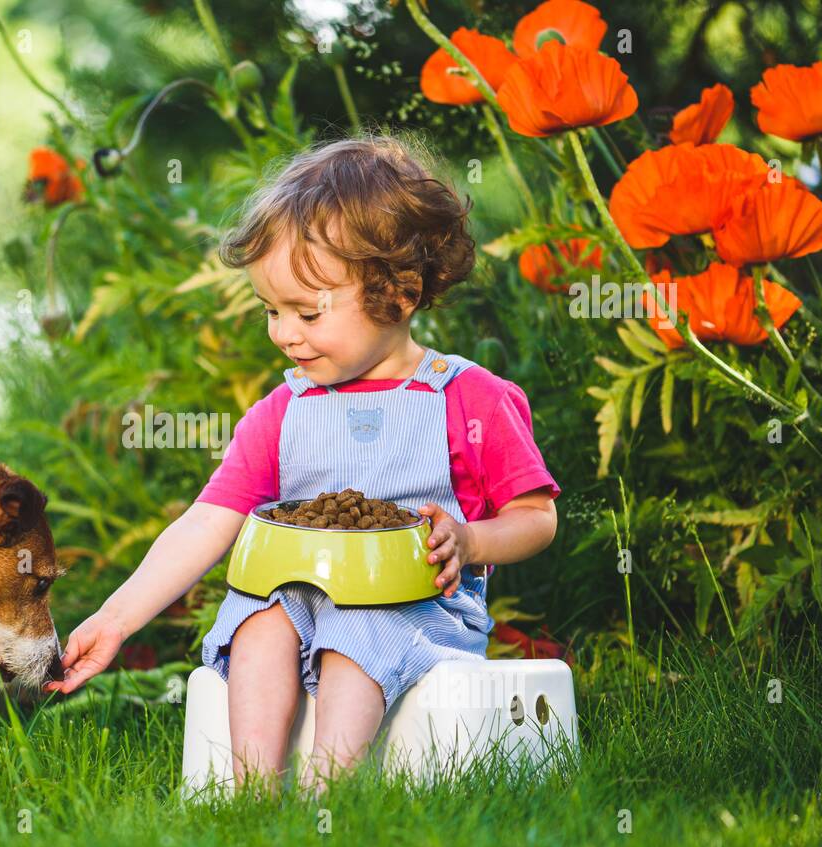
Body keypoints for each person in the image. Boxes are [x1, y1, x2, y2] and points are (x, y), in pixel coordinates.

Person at [43, 133, 560, 796]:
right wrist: (116, 619)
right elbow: (208, 521)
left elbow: (537, 517)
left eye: (307, 311)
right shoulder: (281, 412)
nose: (284, 332)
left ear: (399, 293)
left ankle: (327, 797)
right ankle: (255, 793)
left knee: (358, 631)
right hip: (298, 597)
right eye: (271, 310)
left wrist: (471, 538)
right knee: (257, 619)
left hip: (416, 609)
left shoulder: (467, 396)